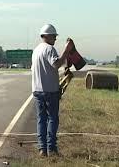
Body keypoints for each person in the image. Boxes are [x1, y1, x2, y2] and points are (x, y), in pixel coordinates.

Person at [31, 24, 74, 157]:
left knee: (41, 120)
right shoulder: (50, 49)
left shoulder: (36, 50)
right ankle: (51, 148)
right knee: (52, 119)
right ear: (47, 36)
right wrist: (67, 50)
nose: (55, 39)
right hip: (50, 91)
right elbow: (56, 64)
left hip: (37, 90)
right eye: (54, 36)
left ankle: (42, 149)